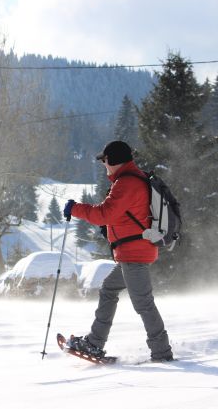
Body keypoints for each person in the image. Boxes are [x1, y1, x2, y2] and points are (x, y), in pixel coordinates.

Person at [63, 140, 174, 362]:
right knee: (108, 290)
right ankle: (95, 343)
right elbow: (123, 215)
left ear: (113, 160)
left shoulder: (127, 183)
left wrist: (75, 208)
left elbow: (105, 213)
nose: (104, 165)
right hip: (133, 252)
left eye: (105, 161)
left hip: (135, 254)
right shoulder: (133, 179)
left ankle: (162, 352)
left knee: (143, 303)